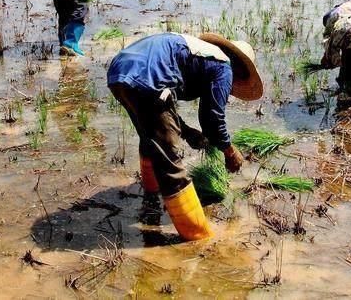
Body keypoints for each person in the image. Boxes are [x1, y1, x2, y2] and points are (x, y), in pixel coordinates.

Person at [107, 32, 262, 241]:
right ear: (240, 69)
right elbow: (212, 119)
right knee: (170, 158)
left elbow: (162, 108)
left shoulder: (202, 55)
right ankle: (197, 235)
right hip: (148, 75)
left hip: (120, 70)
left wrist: (188, 132)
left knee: (150, 136)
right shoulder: (224, 66)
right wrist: (229, 151)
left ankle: (151, 195)